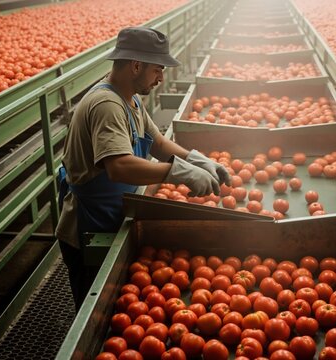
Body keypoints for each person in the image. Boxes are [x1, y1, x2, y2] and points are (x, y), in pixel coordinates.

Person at [55, 27, 230, 310]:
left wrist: (198, 159)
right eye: (157, 70)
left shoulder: (130, 99)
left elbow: (157, 142)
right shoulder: (106, 105)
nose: (161, 78)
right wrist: (178, 173)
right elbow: (119, 167)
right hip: (88, 227)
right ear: (136, 65)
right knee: (95, 310)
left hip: (114, 213)